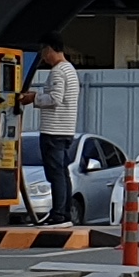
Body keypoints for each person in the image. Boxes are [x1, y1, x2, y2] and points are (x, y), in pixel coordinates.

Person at [18, 39, 83, 224]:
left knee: (55, 174)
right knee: (62, 173)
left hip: (53, 129)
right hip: (66, 129)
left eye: (44, 51)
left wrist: (33, 98)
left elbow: (55, 98)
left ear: (49, 49)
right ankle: (64, 212)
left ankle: (58, 214)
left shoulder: (58, 71)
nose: (43, 57)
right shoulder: (70, 69)